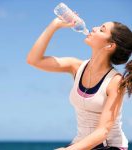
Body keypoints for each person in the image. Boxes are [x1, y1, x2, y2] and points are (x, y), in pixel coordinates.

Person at [27, 16, 132, 150]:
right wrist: (54, 25)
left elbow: (103, 131)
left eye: (101, 29)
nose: (94, 28)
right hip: (82, 144)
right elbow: (34, 60)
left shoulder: (115, 81)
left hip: (109, 146)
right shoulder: (75, 66)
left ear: (110, 46)